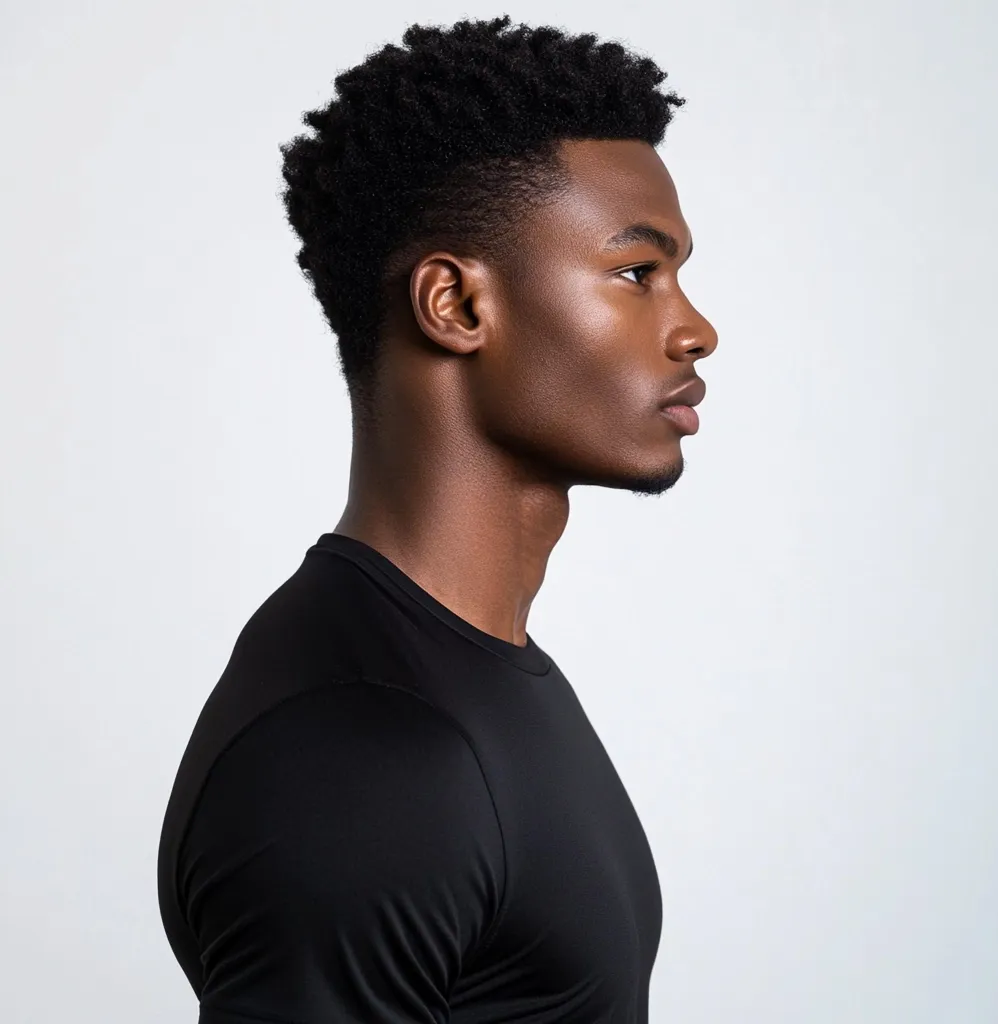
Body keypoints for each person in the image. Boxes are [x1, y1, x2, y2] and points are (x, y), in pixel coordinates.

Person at [157, 14, 718, 1023]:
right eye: (637, 273)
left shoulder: (472, 680)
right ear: (455, 306)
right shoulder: (358, 753)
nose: (695, 329)